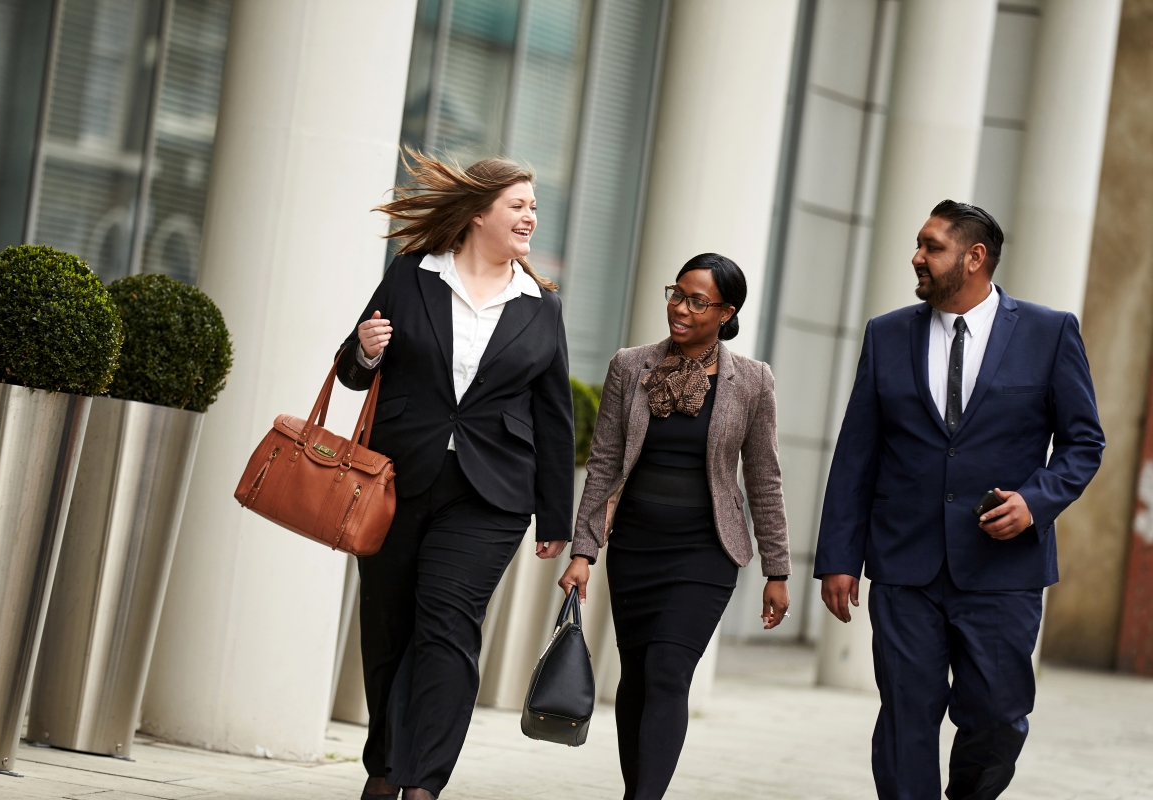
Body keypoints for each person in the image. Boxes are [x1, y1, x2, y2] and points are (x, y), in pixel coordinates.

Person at [815, 200, 1105, 799]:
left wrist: (1036, 501)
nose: (917, 257)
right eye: (919, 245)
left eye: (932, 246)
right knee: (904, 718)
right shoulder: (887, 334)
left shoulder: (1049, 333)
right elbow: (856, 454)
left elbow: (1084, 442)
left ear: (974, 258)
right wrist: (839, 556)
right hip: (904, 565)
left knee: (997, 719)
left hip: (1002, 569)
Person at [336, 151, 575, 800]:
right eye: (517, 205)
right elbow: (354, 370)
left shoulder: (540, 308)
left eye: (532, 206)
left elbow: (555, 422)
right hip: (397, 480)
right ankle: (384, 767)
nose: (530, 216)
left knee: (447, 629)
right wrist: (364, 349)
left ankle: (421, 786)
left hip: (489, 497)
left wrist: (559, 519)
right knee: (388, 631)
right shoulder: (412, 277)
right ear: (478, 213)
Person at [559, 253, 791, 800]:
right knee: (636, 680)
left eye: (696, 301)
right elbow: (605, 462)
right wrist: (583, 551)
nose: (679, 308)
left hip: (705, 552)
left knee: (668, 671)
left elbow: (764, 477)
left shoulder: (752, 382)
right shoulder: (630, 365)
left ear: (726, 312)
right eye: (676, 294)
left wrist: (777, 568)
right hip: (637, 547)